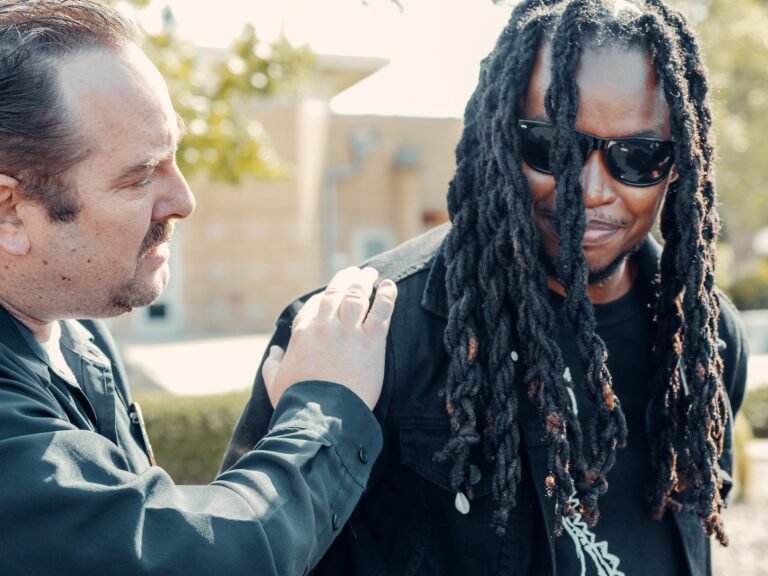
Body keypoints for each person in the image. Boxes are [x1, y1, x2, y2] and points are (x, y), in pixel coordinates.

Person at [222, 0, 750, 574]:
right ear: (498, 136)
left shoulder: (707, 339)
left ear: (682, 164)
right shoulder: (363, 333)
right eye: (551, 147)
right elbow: (260, 553)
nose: (590, 192)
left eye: (639, 157)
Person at [0, 1, 397, 575]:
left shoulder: (74, 332)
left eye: (174, 156)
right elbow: (194, 557)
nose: (184, 201)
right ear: (10, 211)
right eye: (139, 176)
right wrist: (327, 404)